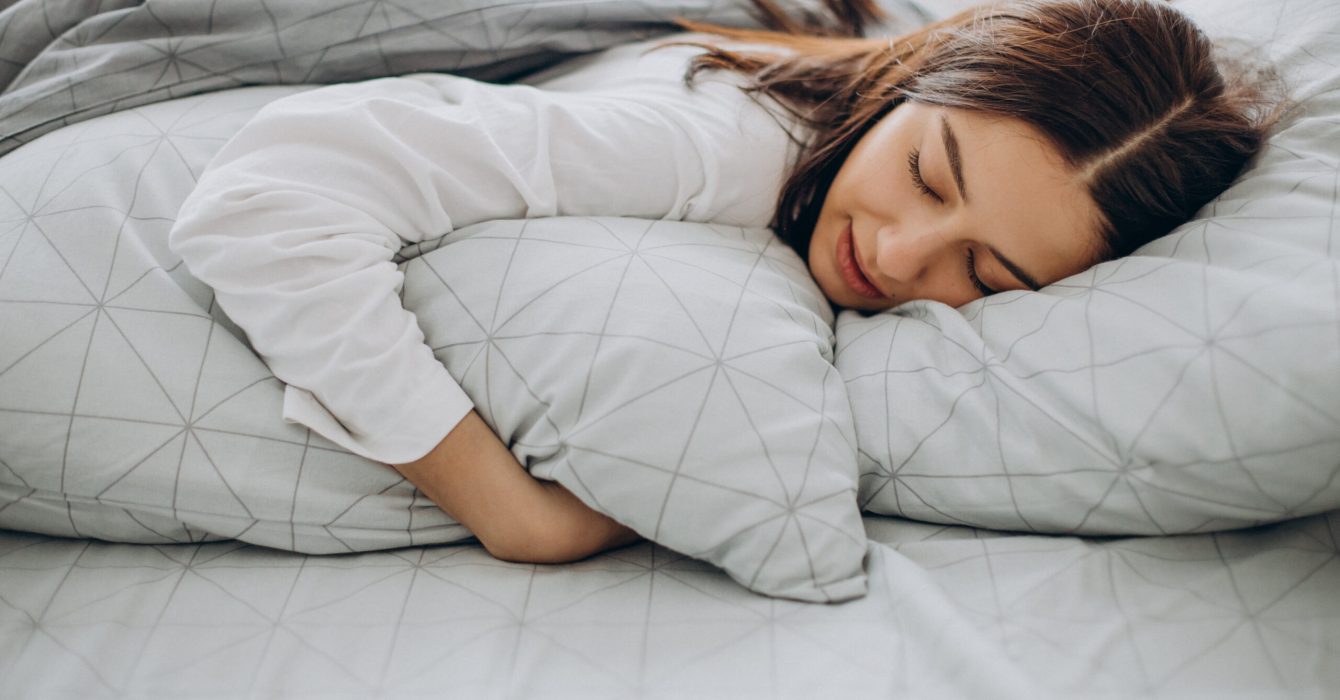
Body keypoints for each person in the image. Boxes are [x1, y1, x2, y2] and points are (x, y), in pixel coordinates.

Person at [168, 0, 1278, 564]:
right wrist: (514, 515)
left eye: (982, 274)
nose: (895, 260)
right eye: (923, 176)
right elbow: (267, 196)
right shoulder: (712, 152)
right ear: (917, 81)